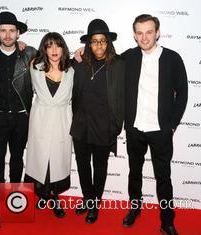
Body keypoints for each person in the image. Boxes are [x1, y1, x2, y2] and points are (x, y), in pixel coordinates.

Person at [122, 14, 188, 235]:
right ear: (134, 35)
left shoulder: (172, 58)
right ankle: (134, 209)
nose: (144, 37)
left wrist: (171, 125)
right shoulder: (128, 58)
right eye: (139, 32)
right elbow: (103, 61)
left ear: (157, 32)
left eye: (149, 32)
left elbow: (183, 93)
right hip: (135, 129)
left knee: (164, 178)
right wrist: (81, 54)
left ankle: (167, 221)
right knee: (134, 174)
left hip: (161, 131)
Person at [0, 11, 37, 230]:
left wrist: (79, 55)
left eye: (11, 31)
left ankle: (15, 199)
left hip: (21, 117)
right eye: (3, 30)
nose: (7, 35)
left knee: (17, 159)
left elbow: (57, 59)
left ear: (18, 33)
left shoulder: (29, 54)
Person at [70, 19, 125, 224]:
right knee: (83, 165)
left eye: (103, 41)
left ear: (108, 43)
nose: (99, 45)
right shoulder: (79, 64)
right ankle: (87, 198)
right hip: (81, 124)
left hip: (104, 125)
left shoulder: (119, 64)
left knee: (100, 167)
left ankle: (95, 204)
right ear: (88, 44)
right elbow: (53, 62)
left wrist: (116, 125)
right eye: (94, 41)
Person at [24, 32, 74, 218]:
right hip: (40, 120)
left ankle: (53, 196)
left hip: (62, 120)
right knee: (40, 160)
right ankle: (43, 195)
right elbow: (17, 50)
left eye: (58, 45)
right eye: (49, 45)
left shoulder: (72, 69)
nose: (54, 50)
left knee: (57, 161)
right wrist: (21, 43)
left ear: (63, 48)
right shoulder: (34, 66)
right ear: (44, 49)